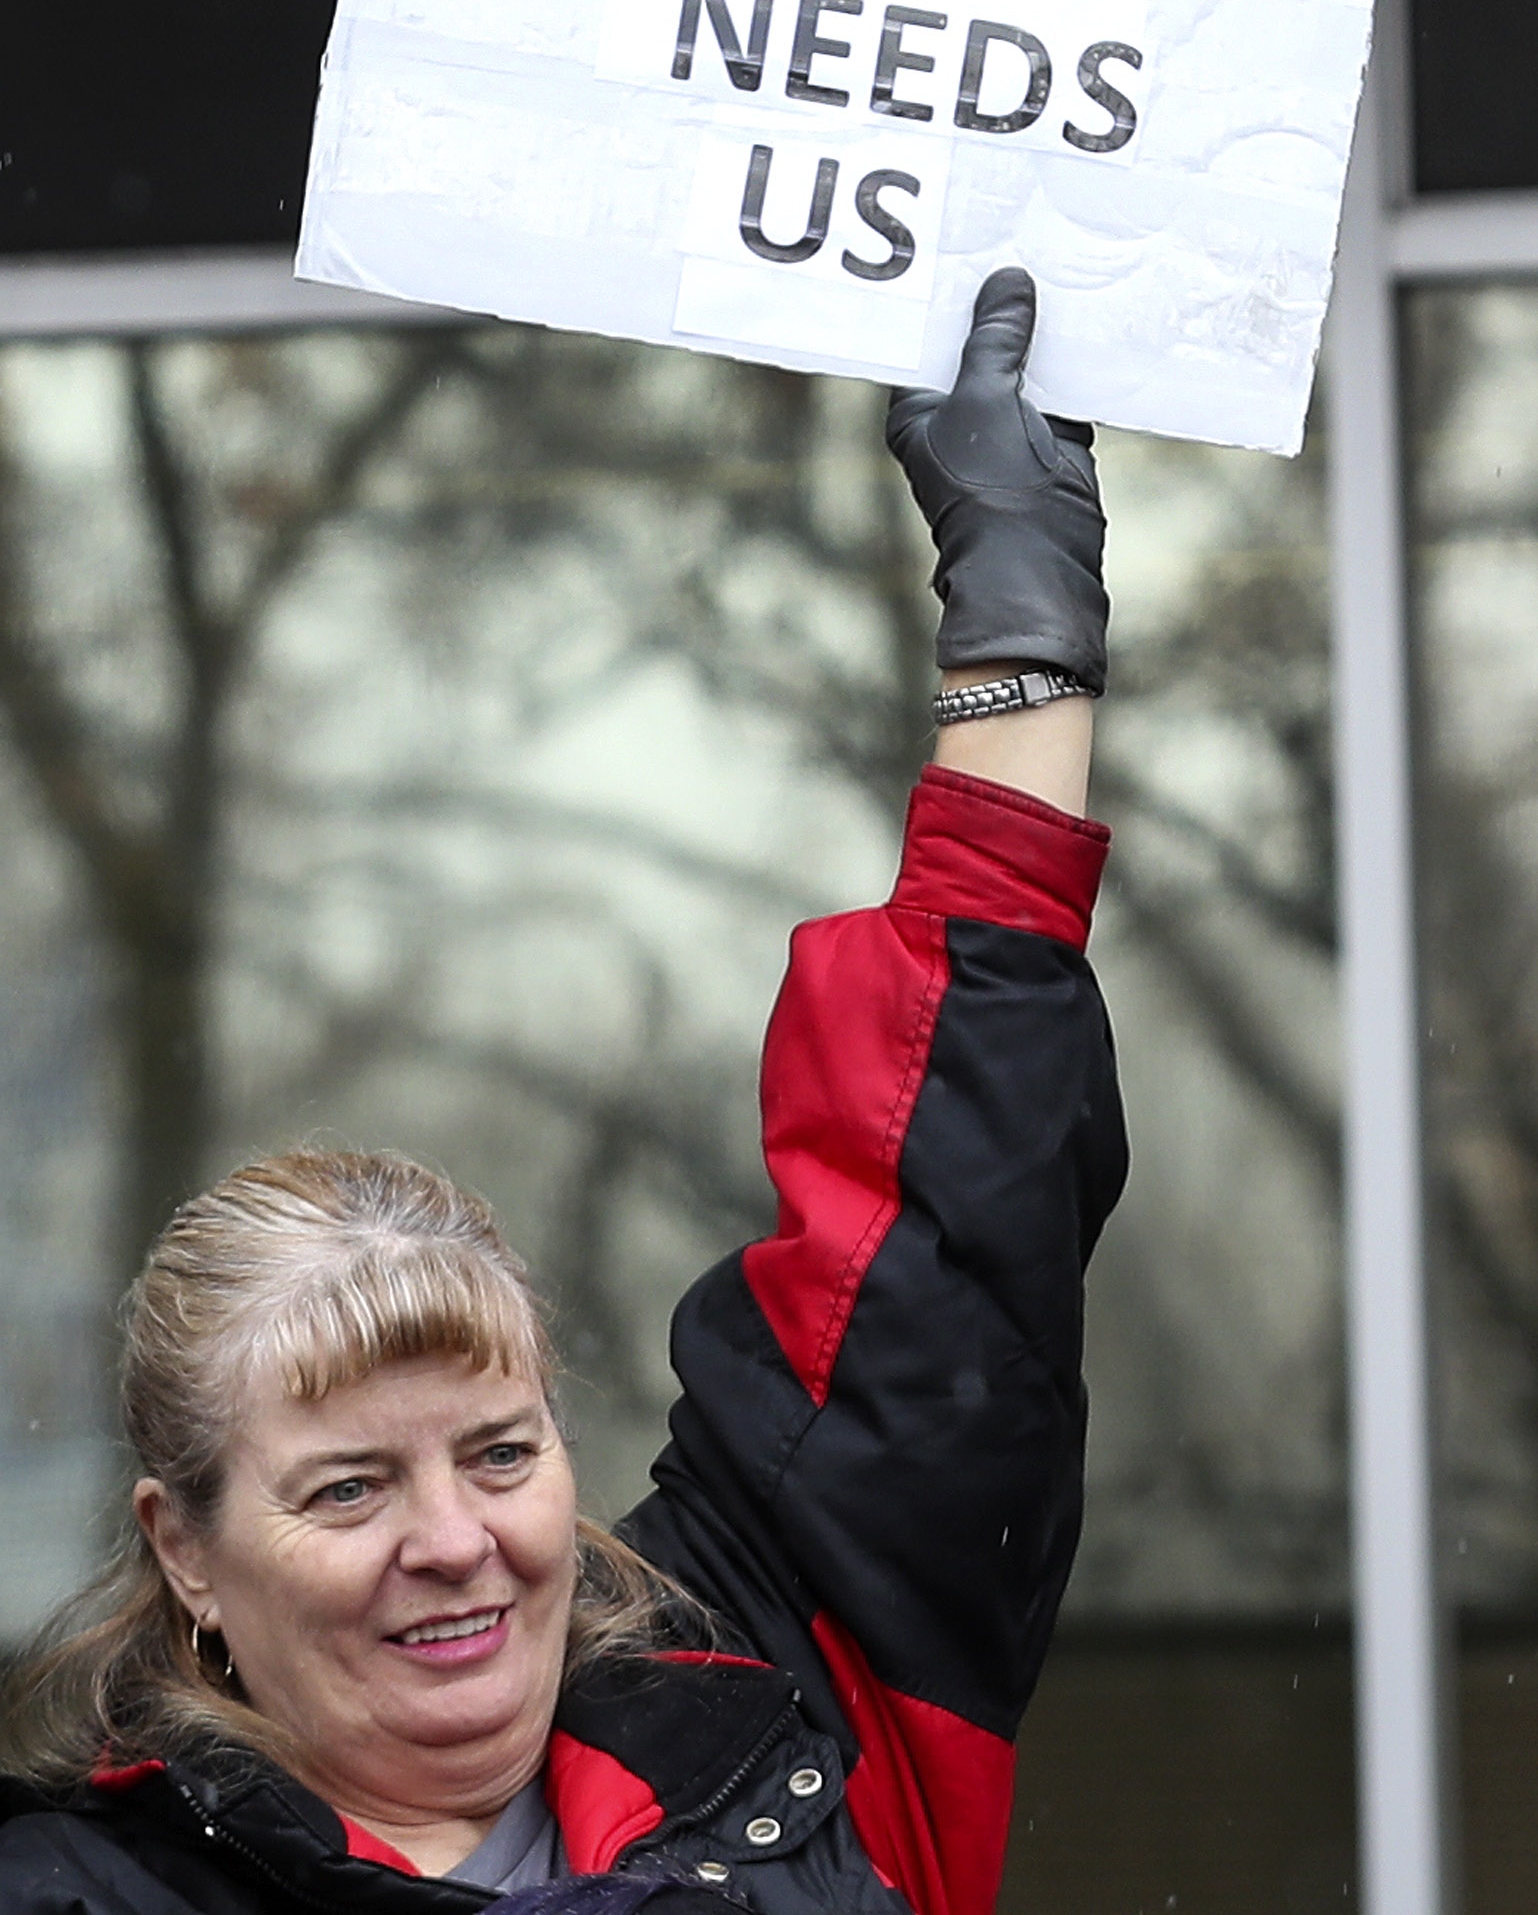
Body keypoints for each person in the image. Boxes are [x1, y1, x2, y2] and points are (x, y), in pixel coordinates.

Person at [0, 270, 1127, 1915]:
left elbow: (950, 1232)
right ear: (187, 1551)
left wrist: (1018, 631)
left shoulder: (780, 1724)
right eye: (346, 1486)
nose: (454, 1539)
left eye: (501, 1452)